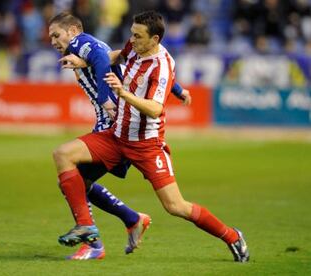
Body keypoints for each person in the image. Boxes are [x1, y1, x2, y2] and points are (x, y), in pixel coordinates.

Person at [53, 11, 250, 262]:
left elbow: (156, 109)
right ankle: (88, 229)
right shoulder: (135, 45)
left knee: (176, 207)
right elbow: (115, 55)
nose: (132, 39)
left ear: (154, 39)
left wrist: (122, 94)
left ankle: (232, 236)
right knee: (63, 156)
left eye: (138, 36)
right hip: (116, 136)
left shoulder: (162, 66)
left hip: (146, 145)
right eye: (132, 34)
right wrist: (86, 63)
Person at [48, 12, 191, 260]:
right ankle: (131, 219)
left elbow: (103, 60)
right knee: (76, 182)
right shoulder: (88, 47)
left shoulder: (80, 42)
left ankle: (93, 243)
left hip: (114, 123)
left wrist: (105, 99)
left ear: (73, 31)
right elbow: (133, 64)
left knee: (70, 172)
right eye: (50, 37)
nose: (52, 41)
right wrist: (177, 90)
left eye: (56, 35)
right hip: (118, 121)